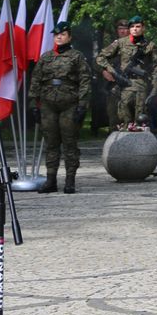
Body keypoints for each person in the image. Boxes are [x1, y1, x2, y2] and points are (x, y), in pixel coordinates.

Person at [29, 21, 92, 194]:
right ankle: (51, 180)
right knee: (51, 143)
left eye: (62, 34)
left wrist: (82, 105)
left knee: (69, 143)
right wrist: (33, 104)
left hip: (69, 104)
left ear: (69, 37)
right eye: (56, 34)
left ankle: (70, 180)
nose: (59, 37)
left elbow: (85, 81)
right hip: (48, 104)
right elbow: (35, 80)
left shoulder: (77, 56)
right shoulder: (46, 57)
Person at [96, 15, 157, 129]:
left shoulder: (150, 46)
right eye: (132, 27)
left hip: (141, 85)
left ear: (143, 28)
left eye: (138, 26)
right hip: (122, 85)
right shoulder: (120, 43)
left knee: (141, 118)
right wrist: (110, 71)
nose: (135, 29)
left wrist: (155, 89)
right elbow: (100, 58)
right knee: (122, 116)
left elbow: (156, 68)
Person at [101, 18, 130, 130]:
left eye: (125, 29)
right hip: (114, 87)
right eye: (120, 29)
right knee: (113, 118)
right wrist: (103, 71)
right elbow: (97, 61)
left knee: (131, 120)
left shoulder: (137, 45)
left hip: (132, 86)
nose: (123, 31)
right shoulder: (112, 46)